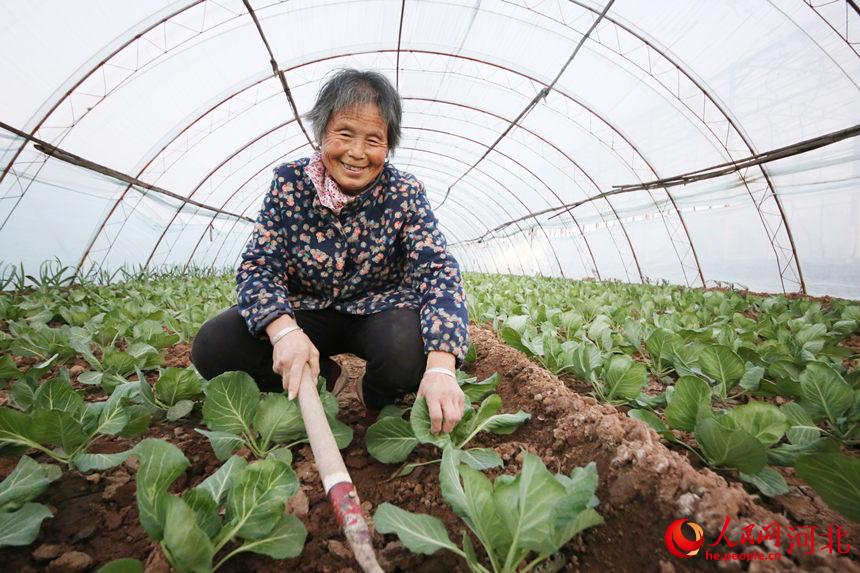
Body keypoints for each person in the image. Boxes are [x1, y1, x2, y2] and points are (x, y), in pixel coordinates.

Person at [191, 69, 470, 434]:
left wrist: (440, 368)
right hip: (307, 311)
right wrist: (283, 331)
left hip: (378, 312)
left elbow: (438, 271)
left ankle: (374, 398)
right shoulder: (290, 183)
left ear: (388, 146)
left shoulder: (404, 193)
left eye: (373, 140)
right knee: (216, 345)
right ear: (322, 132)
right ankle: (329, 377)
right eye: (344, 134)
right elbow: (260, 265)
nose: (357, 153)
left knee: (408, 350)